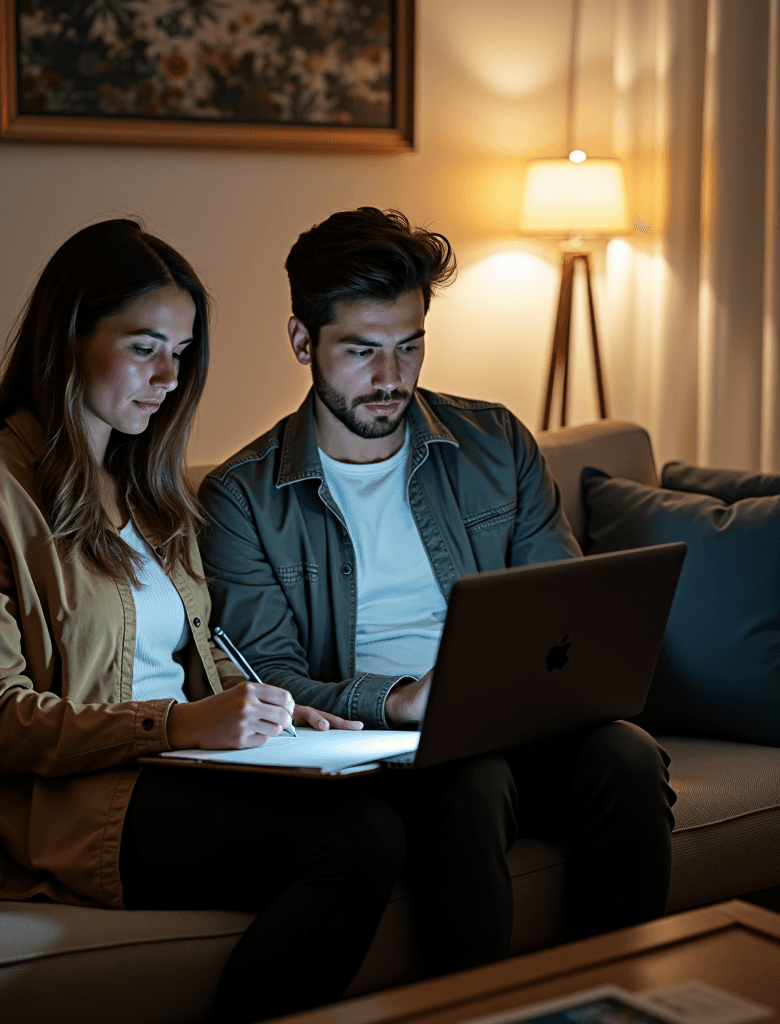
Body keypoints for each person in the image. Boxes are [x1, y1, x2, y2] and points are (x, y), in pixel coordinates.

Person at [0, 220, 406, 1024]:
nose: (168, 377)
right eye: (145, 347)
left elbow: (193, 649)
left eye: (180, 353)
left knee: (415, 799)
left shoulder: (146, 489)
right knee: (362, 840)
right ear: (69, 335)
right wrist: (176, 725)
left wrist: (274, 714)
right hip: (86, 808)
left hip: (186, 769)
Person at [198, 207, 677, 975]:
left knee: (628, 757)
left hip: (520, 721)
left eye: (409, 346)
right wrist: (395, 702)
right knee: (472, 778)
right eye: (361, 351)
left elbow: (565, 606)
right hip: (389, 747)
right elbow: (266, 675)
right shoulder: (244, 498)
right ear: (302, 342)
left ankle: (617, 994)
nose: (391, 378)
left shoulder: (496, 443)